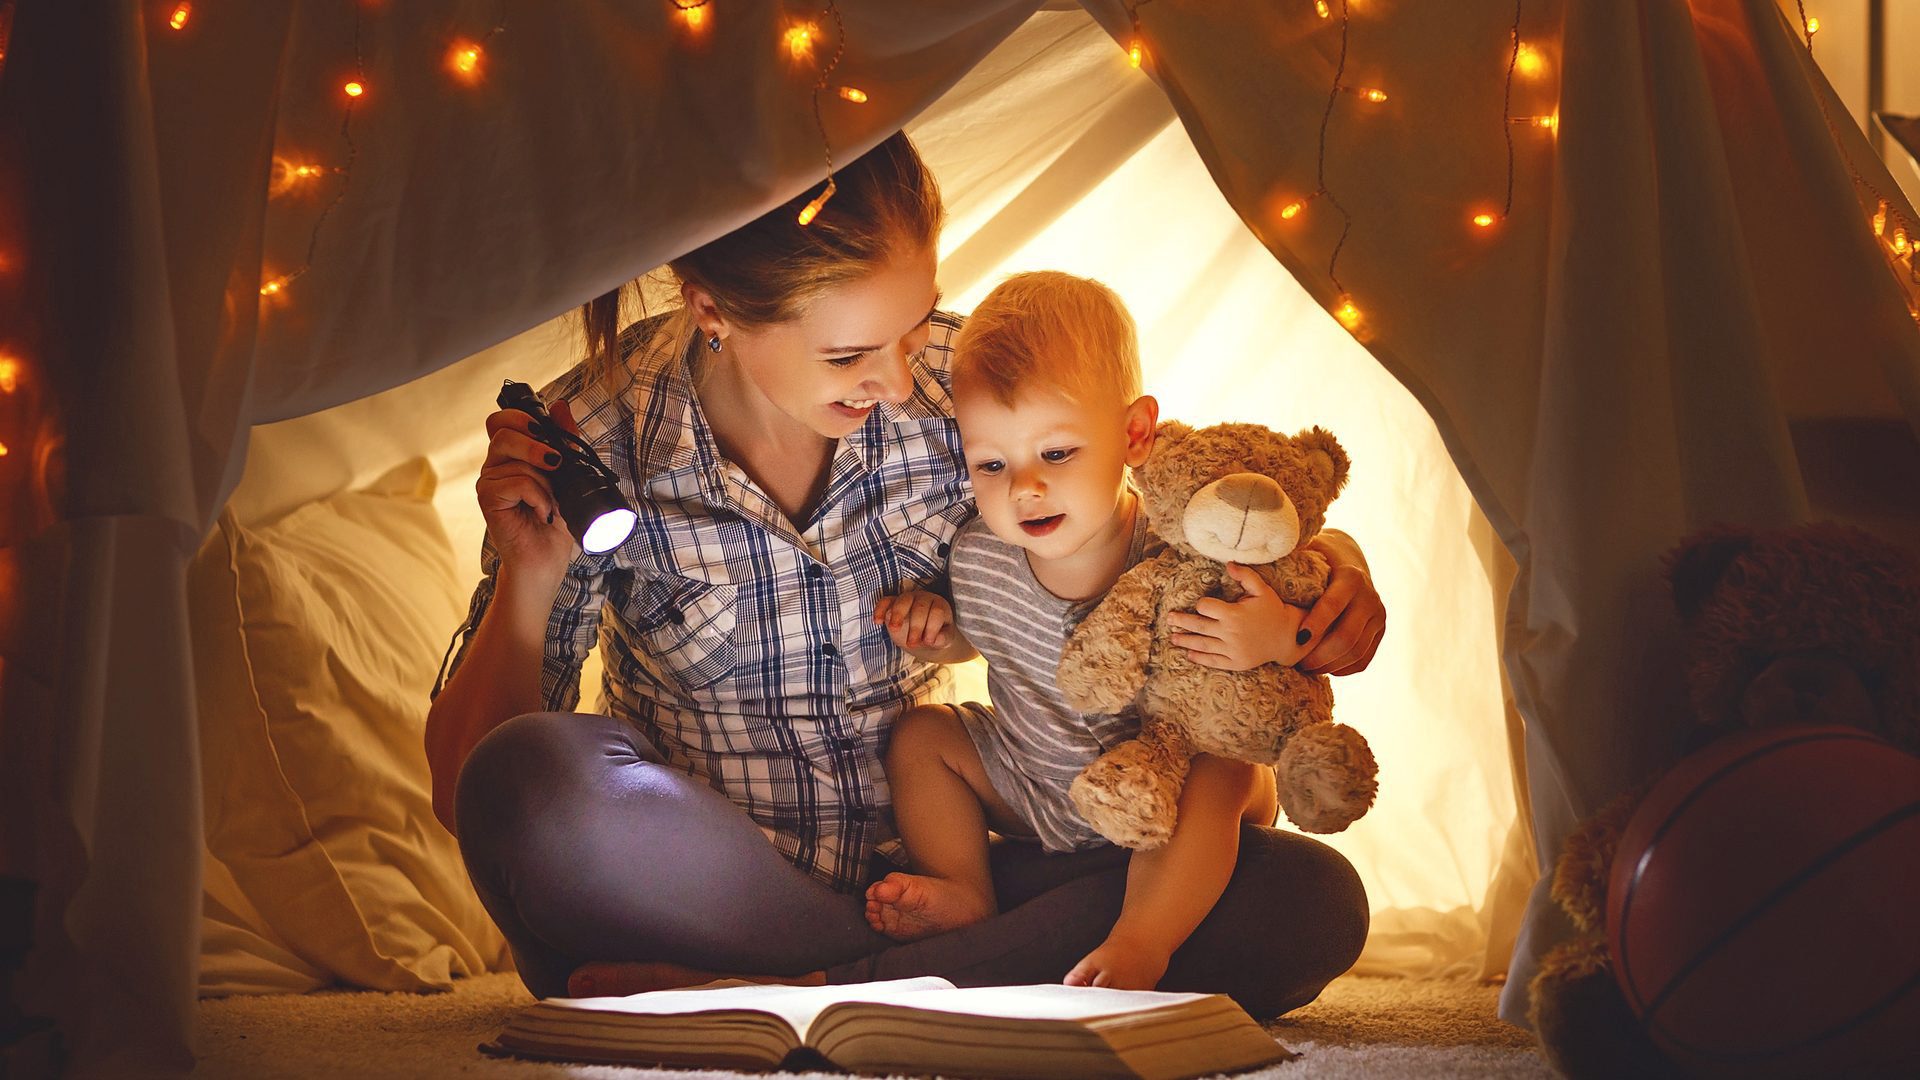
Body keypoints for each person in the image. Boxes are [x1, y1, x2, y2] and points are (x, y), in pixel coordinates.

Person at [426, 132, 1384, 1018]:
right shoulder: (596, 438)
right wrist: (531, 575)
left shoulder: (958, 394)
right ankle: (910, 982)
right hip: (709, 886)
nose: (897, 380)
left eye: (914, 326)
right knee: (525, 780)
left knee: (1303, 899)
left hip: (943, 876)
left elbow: (1168, 496)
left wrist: (1334, 568)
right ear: (713, 309)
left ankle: (780, 995)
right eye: (849, 354)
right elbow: (469, 797)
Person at [867, 271, 1302, 993]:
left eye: (1057, 453)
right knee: (923, 737)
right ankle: (963, 887)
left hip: (1170, 793)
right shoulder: (978, 553)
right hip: (1037, 785)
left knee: (1222, 765)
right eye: (992, 463)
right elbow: (982, 640)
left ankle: (1143, 937)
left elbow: (1281, 646)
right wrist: (937, 632)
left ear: (1134, 434)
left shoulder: (1181, 547)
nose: (1024, 487)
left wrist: (1276, 636)